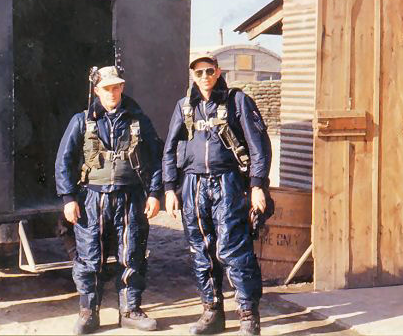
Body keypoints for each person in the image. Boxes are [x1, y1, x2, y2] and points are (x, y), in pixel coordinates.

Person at [162, 54, 272, 335]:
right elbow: (170, 149)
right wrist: (169, 188)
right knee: (201, 251)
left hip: (228, 184)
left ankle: (248, 315)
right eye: (198, 73)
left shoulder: (237, 101)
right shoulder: (184, 107)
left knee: (233, 248)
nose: (204, 77)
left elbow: (259, 145)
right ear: (193, 76)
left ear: (218, 71)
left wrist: (258, 184)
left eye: (209, 71)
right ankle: (212, 311)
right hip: (193, 185)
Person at [55, 65, 163, 334]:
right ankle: (88, 312)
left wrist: (155, 193)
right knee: (90, 257)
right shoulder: (81, 121)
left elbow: (157, 159)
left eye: (116, 87)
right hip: (92, 198)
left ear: (122, 88)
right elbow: (64, 161)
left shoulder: (139, 120)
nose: (112, 93)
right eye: (106, 88)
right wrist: (69, 198)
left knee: (132, 254)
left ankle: (130, 310)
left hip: (131, 198)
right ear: (96, 91)